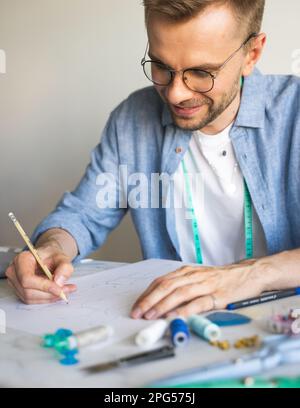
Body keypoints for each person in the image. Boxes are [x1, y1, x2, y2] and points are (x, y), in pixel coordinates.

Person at [6, 0, 300, 320]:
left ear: (252, 54)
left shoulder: (294, 114)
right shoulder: (131, 119)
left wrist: (249, 275)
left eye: (201, 72)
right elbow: (84, 214)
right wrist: (51, 247)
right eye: (161, 66)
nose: (175, 94)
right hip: (175, 330)